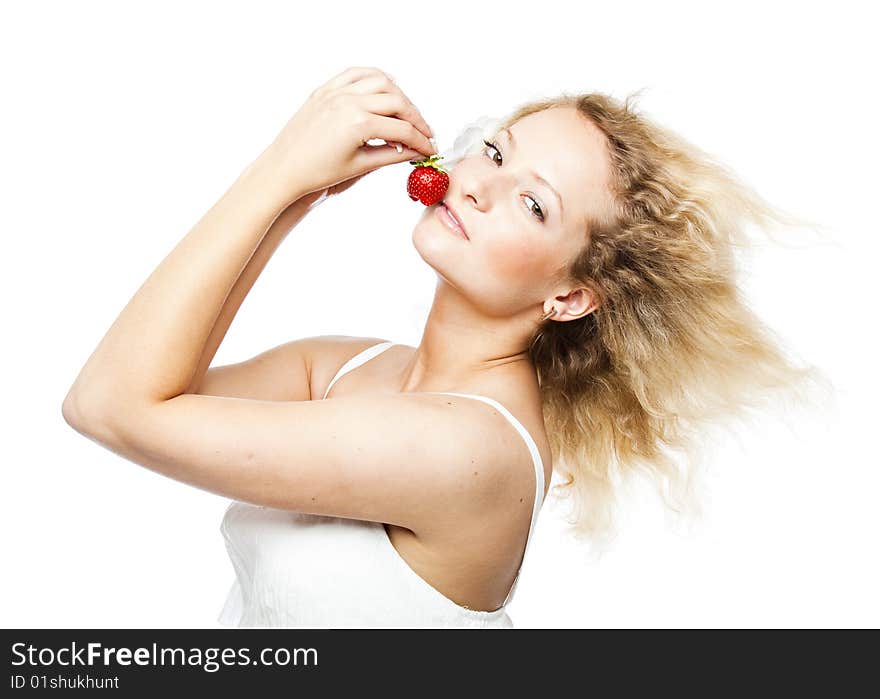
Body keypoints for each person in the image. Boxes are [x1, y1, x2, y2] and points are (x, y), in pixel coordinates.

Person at [62, 66, 822, 628]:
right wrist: (300, 193)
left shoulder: (469, 447)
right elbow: (153, 378)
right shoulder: (347, 364)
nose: (481, 187)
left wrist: (278, 169)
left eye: (533, 202)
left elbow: (108, 404)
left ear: (570, 296)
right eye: (494, 151)